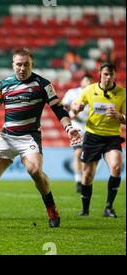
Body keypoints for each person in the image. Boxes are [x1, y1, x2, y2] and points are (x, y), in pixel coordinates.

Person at [0, 47, 82, 228]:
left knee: (34, 171)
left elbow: (58, 109)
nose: (22, 68)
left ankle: (52, 209)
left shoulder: (43, 84)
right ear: (13, 64)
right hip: (7, 137)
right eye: (18, 64)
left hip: (29, 138)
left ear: (32, 64)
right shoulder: (4, 84)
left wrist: (69, 128)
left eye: (26, 64)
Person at [71, 62, 125, 218]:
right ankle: (85, 209)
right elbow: (77, 106)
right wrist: (76, 109)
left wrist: (120, 117)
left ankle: (109, 207)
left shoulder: (122, 93)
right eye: (105, 74)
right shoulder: (89, 90)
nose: (108, 77)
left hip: (112, 138)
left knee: (116, 167)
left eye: (111, 74)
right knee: (87, 175)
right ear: (100, 74)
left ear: (115, 75)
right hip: (92, 136)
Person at [62, 74, 94, 193]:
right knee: (77, 153)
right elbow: (63, 105)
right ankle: (78, 181)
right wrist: (71, 114)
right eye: (86, 80)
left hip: (92, 129)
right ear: (81, 82)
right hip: (77, 128)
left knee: (88, 157)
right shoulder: (72, 92)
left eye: (90, 81)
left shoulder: (95, 94)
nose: (88, 83)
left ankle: (86, 180)